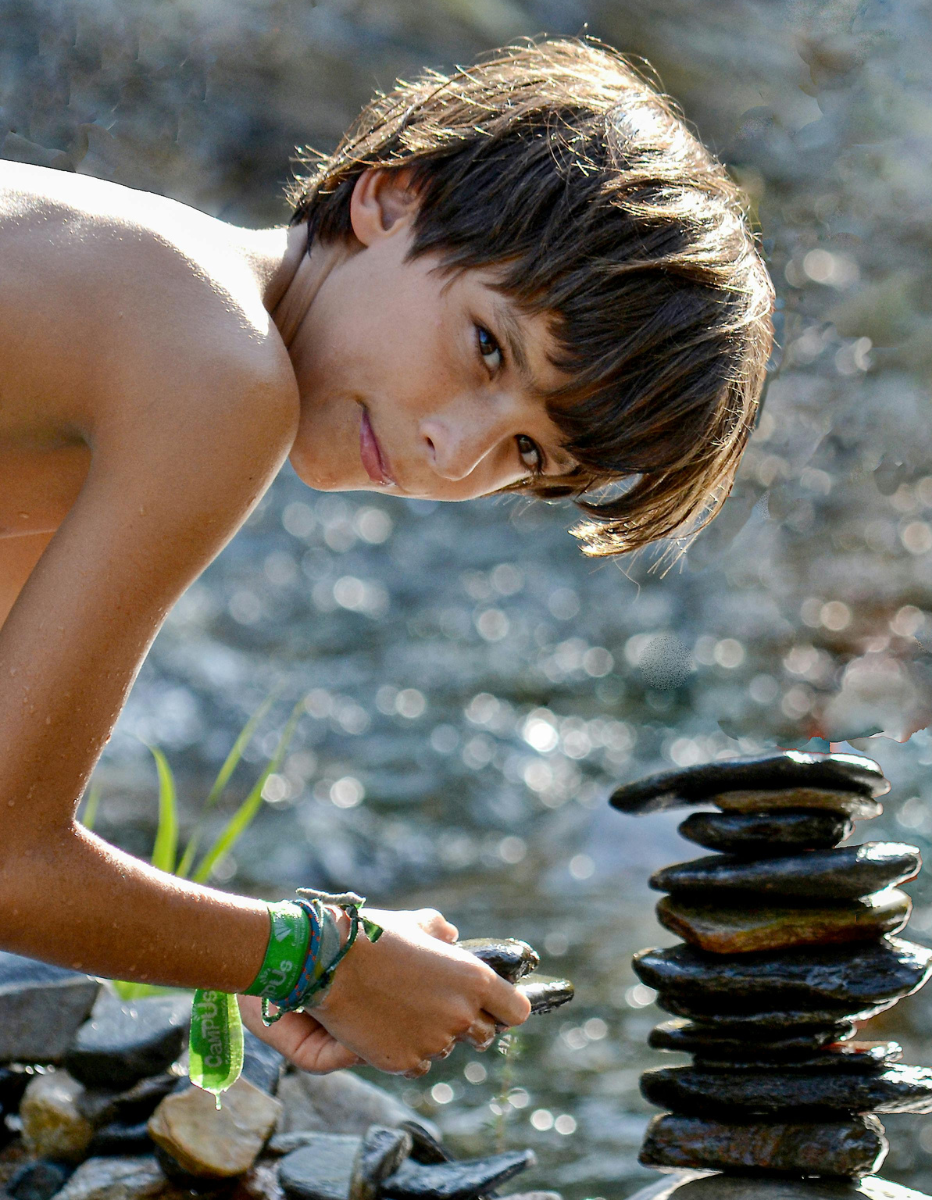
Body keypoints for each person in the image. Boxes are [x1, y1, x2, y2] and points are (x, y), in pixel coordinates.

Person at [0, 38, 774, 1078]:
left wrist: (224, 953)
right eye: (487, 348)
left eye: (529, 452)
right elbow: (7, 862)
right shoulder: (215, 366)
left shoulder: (128, 314)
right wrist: (317, 958)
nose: (454, 452)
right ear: (391, 199)